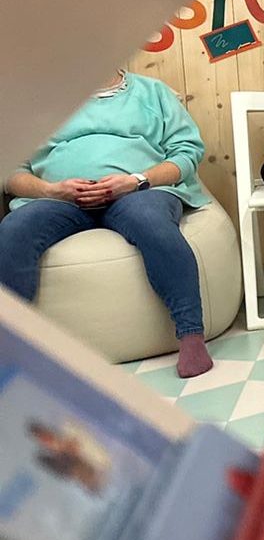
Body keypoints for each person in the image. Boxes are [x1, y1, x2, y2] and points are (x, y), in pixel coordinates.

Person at [1, 70, 216, 377]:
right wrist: (51, 190)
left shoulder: (153, 93)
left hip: (138, 192)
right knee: (13, 231)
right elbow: (11, 171)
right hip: (59, 199)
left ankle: (191, 336)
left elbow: (187, 153)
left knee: (152, 222)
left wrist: (137, 180)